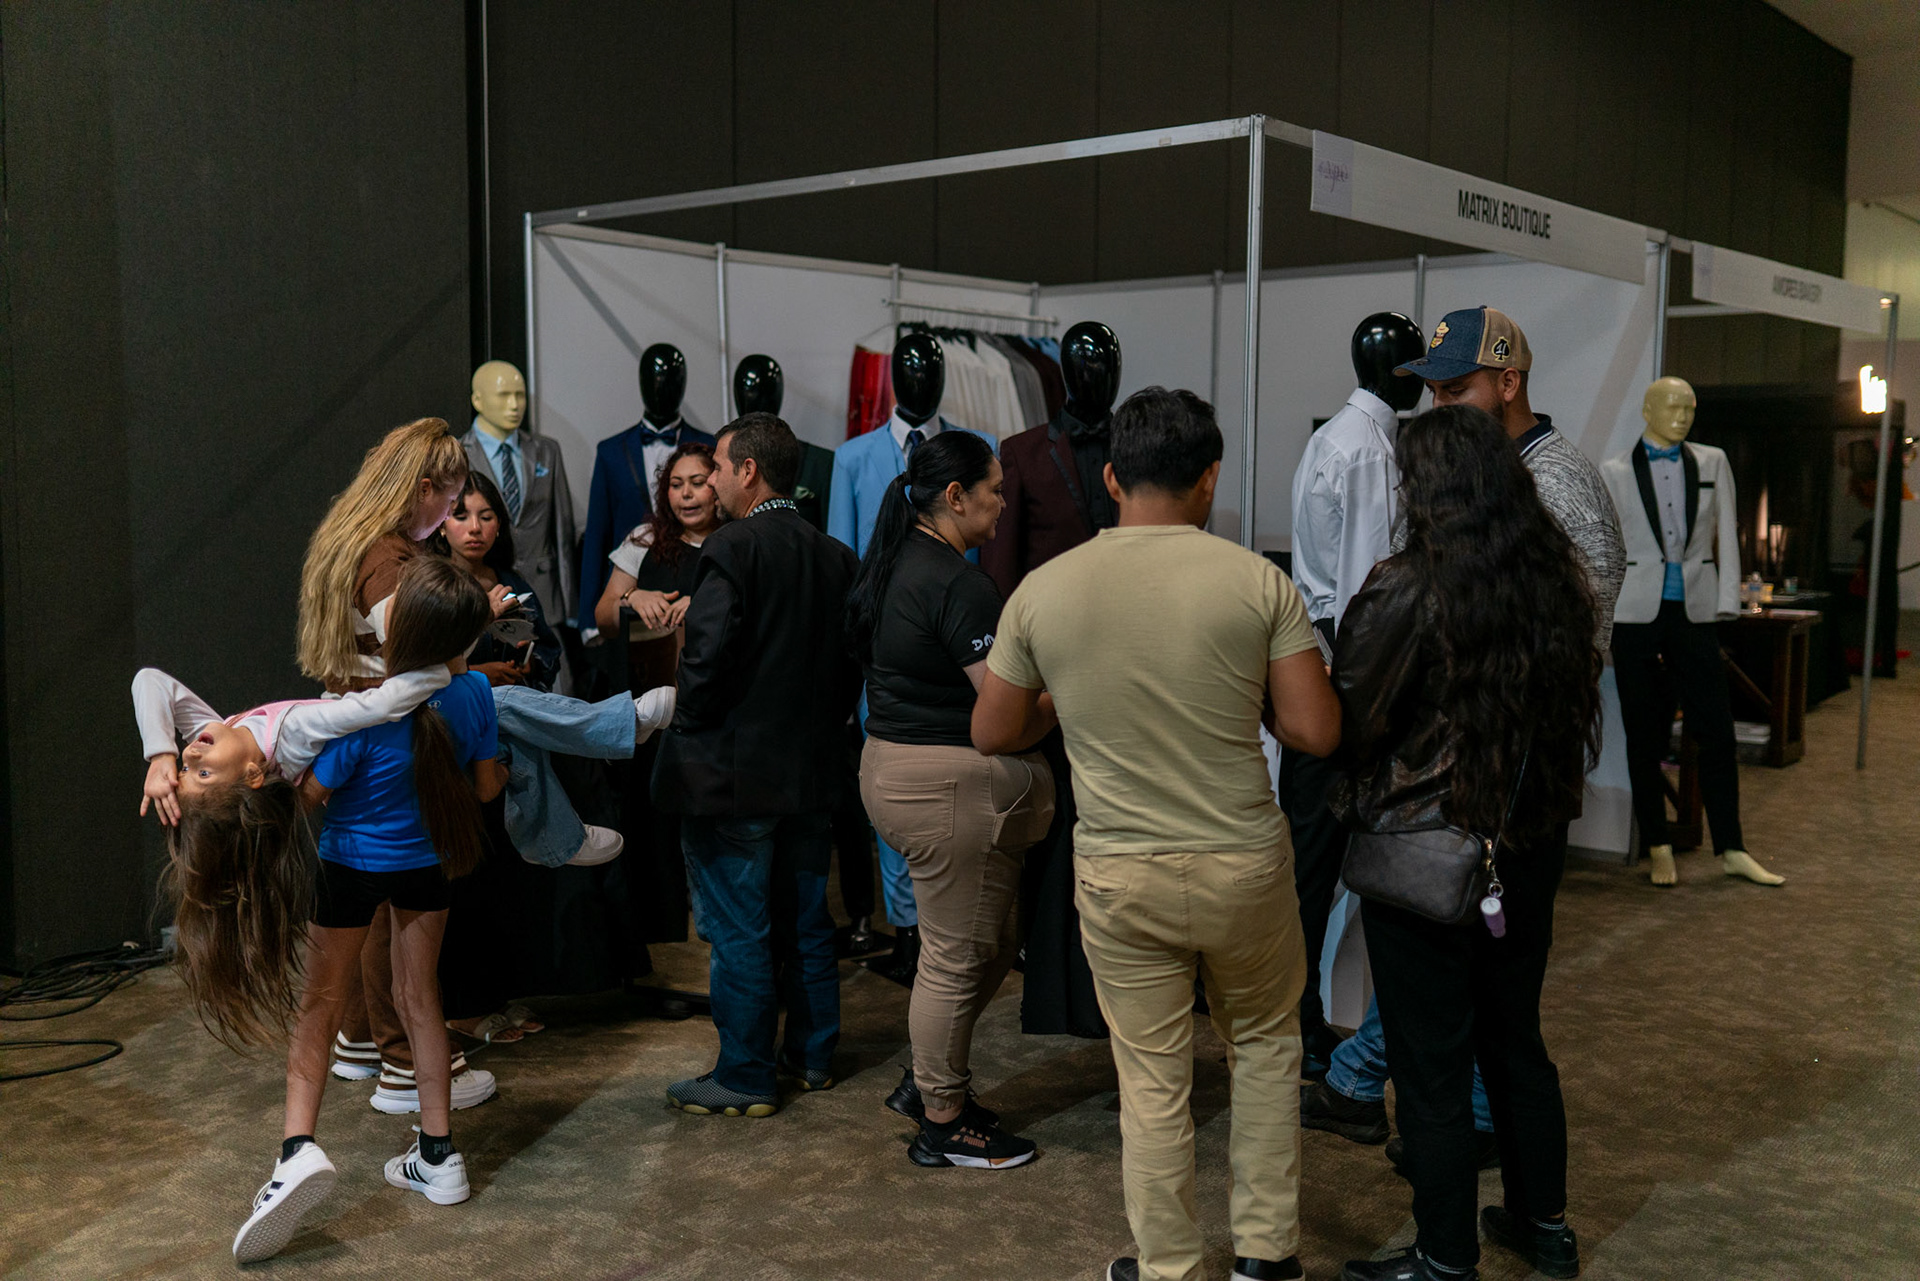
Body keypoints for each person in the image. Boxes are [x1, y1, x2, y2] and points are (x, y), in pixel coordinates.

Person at [973, 387, 1341, 1281]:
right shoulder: (1258, 581)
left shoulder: (1043, 590)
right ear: (1209, 478)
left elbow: (994, 730)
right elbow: (1315, 730)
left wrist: (1067, 698)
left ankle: (1170, 1265)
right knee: (1265, 1048)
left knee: (1150, 1075)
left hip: (1120, 868)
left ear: (1111, 478)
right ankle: (1267, 1255)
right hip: (1242, 862)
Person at [1329, 404, 1602, 1281]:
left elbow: (1351, 720)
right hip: (1526, 851)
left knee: (1431, 1064)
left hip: (1426, 856)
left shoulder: (1407, 584)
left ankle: (1445, 1258)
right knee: (1514, 1038)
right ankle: (1544, 1224)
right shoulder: (1555, 583)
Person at [221, 558, 505, 1262]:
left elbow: (311, 797)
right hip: (428, 865)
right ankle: (438, 1156)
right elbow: (487, 789)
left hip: (350, 867)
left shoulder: (365, 710)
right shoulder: (475, 694)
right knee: (421, 1000)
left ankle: (295, 1152)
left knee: (319, 1007)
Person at [846, 431, 1057, 1170]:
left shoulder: (896, 562)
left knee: (986, 943)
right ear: (956, 496)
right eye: (994, 488)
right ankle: (943, 1120)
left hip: (898, 774)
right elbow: (1003, 717)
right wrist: (1062, 695)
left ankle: (928, 1081)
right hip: (944, 790)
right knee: (955, 957)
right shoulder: (956, 583)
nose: (1003, 500)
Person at [652, 412, 862, 1118]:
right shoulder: (836, 555)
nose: (709, 480)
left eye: (715, 466)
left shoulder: (732, 546)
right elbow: (850, 666)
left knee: (740, 927)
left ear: (748, 470)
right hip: (812, 772)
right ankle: (812, 1056)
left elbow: (705, 659)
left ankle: (744, 1074)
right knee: (806, 919)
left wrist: (686, 724)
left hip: (733, 777)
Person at [295, 418, 498, 1113]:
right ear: (423, 487)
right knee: (398, 914)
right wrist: (468, 655)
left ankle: (362, 1037)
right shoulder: (387, 559)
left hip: (358, 738)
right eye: (451, 501)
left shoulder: (358, 539)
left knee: (372, 908)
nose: (453, 516)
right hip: (391, 735)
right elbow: (415, 648)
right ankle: (407, 1063)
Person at [432, 471, 563, 692]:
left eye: (486, 518)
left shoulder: (512, 583)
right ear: (441, 525)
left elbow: (548, 649)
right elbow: (418, 665)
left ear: (499, 524)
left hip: (516, 701)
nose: (475, 528)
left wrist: (529, 663)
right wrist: (475, 673)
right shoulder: (432, 585)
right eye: (461, 517)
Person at [592, 442, 718, 636]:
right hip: (652, 653)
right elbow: (603, 620)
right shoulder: (646, 537)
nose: (686, 493)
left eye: (697, 483)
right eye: (676, 485)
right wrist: (631, 598)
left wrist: (707, 604)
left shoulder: (739, 541)